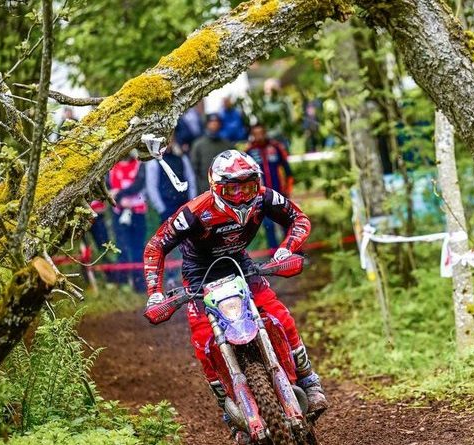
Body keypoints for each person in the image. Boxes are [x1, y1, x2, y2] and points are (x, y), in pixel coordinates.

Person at [142, 150, 327, 442]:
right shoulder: (194, 212)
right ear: (216, 187)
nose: (241, 197)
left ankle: (309, 381)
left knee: (279, 315)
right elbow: (155, 246)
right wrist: (155, 293)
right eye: (232, 189)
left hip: (240, 265)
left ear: (257, 184)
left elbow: (298, 218)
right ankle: (231, 414)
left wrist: (287, 248)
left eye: (248, 187)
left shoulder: (265, 198)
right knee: (204, 342)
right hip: (198, 276)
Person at [244, 124, 294, 249]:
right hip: (261, 196)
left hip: (279, 193)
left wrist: (288, 189)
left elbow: (288, 171)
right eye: (256, 134)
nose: (259, 136)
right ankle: (274, 253)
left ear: (265, 133)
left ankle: (292, 251)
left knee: (286, 222)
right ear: (252, 135)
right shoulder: (248, 152)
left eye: (261, 133)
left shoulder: (276, 147)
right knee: (268, 225)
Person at [108, 149, 147, 292]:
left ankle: (139, 283)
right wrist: (119, 199)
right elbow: (109, 189)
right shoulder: (112, 166)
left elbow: (139, 184)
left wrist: (119, 193)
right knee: (121, 246)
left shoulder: (139, 164)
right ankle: (123, 281)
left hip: (137, 211)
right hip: (119, 211)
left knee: (138, 247)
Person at [146, 137, 197, 221]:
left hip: (184, 204)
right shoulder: (153, 162)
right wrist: (161, 208)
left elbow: (191, 179)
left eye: (170, 141)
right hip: (167, 206)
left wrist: (192, 202)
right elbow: (151, 187)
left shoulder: (182, 158)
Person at [190, 114, 233, 194]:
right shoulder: (198, 145)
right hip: (205, 189)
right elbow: (193, 170)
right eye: (211, 122)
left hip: (225, 188)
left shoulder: (227, 145)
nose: (214, 125)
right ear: (207, 124)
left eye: (216, 122)